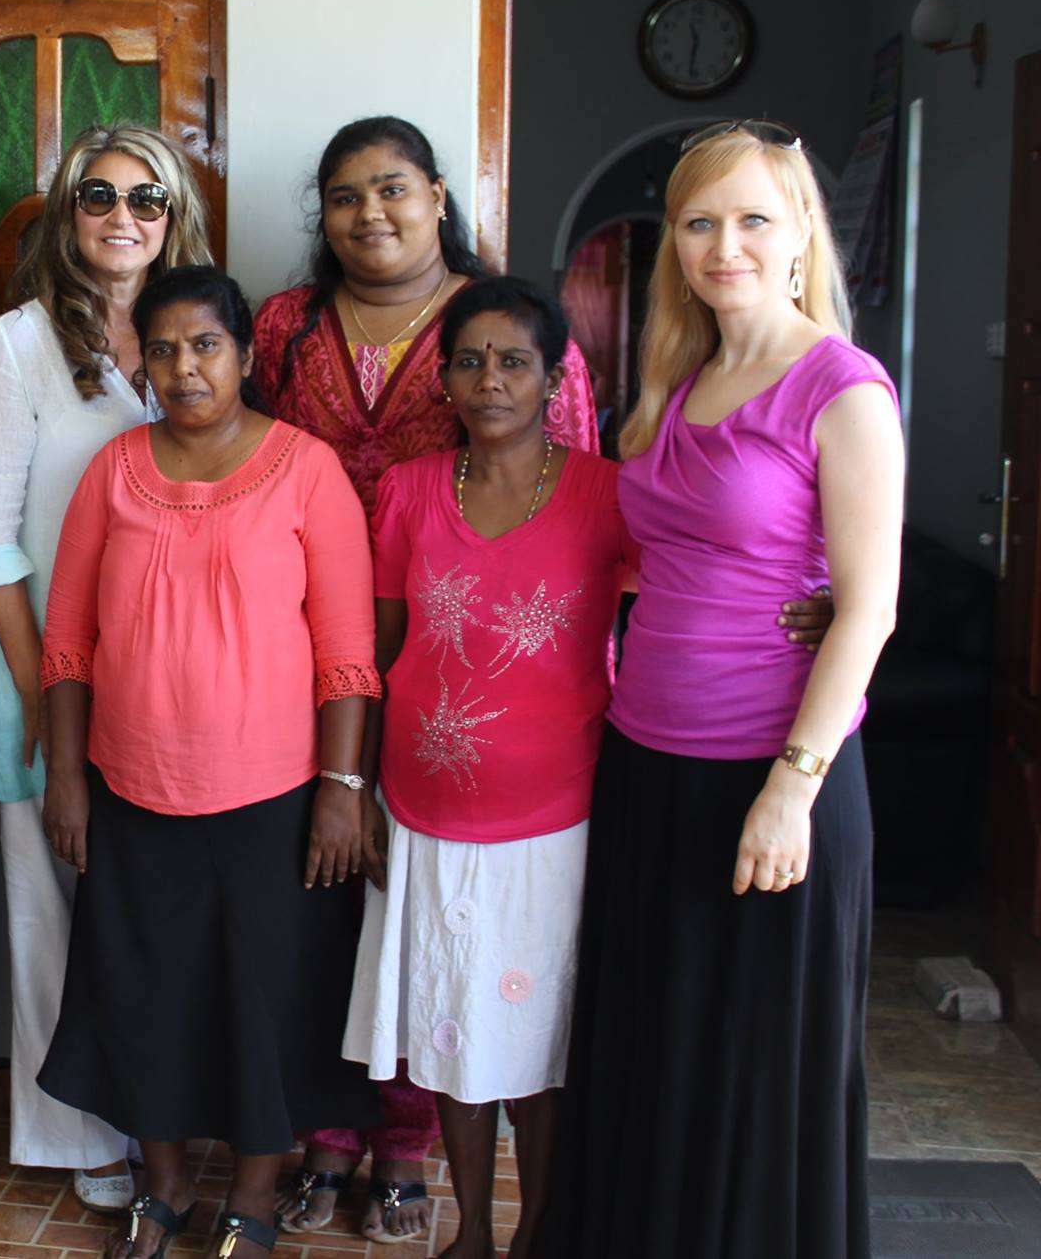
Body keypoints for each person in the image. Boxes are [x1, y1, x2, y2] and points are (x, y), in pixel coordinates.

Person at [552, 120, 903, 1258]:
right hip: (648, 762)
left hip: (769, 781)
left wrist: (790, 789)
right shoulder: (677, 380)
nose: (724, 244)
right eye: (699, 222)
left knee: (751, 1080)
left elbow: (867, 606)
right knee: (652, 1059)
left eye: (752, 217)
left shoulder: (839, 387)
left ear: (800, 229)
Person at [253, 114, 599, 1246]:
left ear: (438, 195)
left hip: (491, 709)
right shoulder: (282, 327)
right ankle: (330, 1131)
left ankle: (408, 1150)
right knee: (331, 914)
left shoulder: (507, 339)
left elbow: (606, 535)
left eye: (392, 189)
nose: (370, 213)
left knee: (464, 958)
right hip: (304, 654)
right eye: (344, 194)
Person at [35, 266, 383, 1259]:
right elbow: (67, 640)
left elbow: (346, 655)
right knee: (144, 997)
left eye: (203, 346)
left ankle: (258, 1197)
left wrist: (341, 789)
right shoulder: (113, 471)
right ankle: (162, 1188)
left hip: (271, 798)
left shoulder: (303, 468)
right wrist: (65, 777)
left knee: (264, 997)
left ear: (241, 356)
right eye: (161, 349)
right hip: (131, 790)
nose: (182, 367)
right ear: (138, 360)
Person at [0, 122, 213, 1209]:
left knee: (152, 917)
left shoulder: (193, 336)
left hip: (174, 683)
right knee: (49, 915)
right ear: (67, 217)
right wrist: (44, 691)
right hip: (35, 673)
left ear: (174, 219)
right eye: (96, 197)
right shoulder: (14, 344)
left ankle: (160, 1121)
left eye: (144, 200)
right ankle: (82, 1145)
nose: (121, 218)